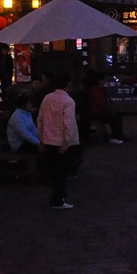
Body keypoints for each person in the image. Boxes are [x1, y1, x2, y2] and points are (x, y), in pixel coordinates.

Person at [37, 70, 79, 208]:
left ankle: (55, 198)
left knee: (53, 171)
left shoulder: (47, 98)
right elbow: (68, 123)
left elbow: (40, 119)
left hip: (48, 139)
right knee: (62, 172)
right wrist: (67, 142)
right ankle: (58, 199)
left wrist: (41, 139)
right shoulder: (68, 101)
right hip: (61, 140)